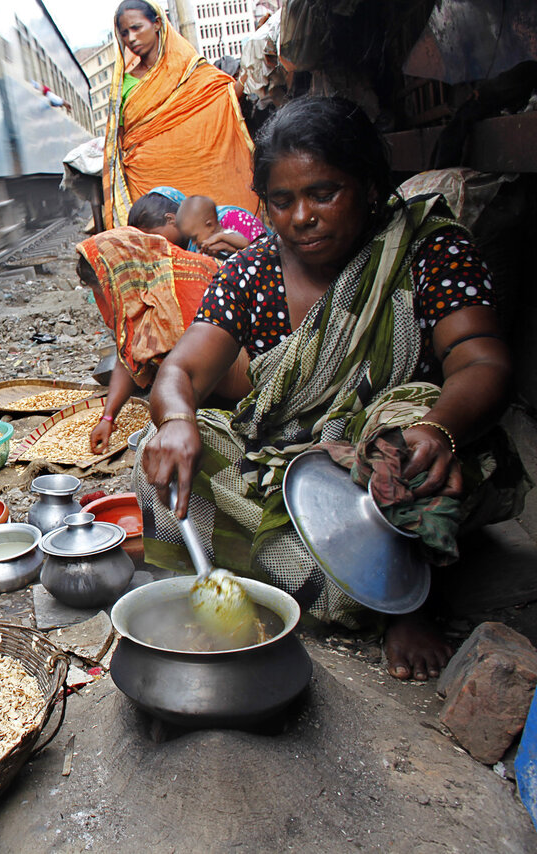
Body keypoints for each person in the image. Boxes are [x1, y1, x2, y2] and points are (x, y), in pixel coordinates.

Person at [134, 96, 529, 681]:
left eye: (324, 193)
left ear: (369, 187)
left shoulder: (424, 248)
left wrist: (439, 428)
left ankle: (406, 598)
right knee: (157, 459)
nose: (301, 217)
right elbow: (180, 371)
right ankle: (267, 581)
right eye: (282, 200)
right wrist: (175, 422)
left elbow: (481, 360)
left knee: (400, 431)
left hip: (393, 463)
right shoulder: (252, 272)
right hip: (283, 461)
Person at [77, 197, 251, 454]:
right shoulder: (144, 292)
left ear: (121, 276)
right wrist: (108, 418)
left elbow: (189, 371)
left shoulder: (185, 280)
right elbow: (128, 357)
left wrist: (173, 423)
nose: (105, 303)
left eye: (102, 292)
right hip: (207, 393)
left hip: (243, 395)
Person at [102, 0, 258, 229]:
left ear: (157, 24)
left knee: (214, 236)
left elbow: (222, 98)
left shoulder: (191, 69)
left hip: (202, 173)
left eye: (136, 28)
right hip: (147, 184)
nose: (130, 39)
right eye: (124, 33)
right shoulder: (122, 85)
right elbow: (123, 139)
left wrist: (252, 72)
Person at [176, 194, 266, 258]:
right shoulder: (203, 247)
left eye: (194, 238)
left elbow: (246, 244)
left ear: (210, 225)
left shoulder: (227, 234)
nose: (194, 243)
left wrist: (221, 237)